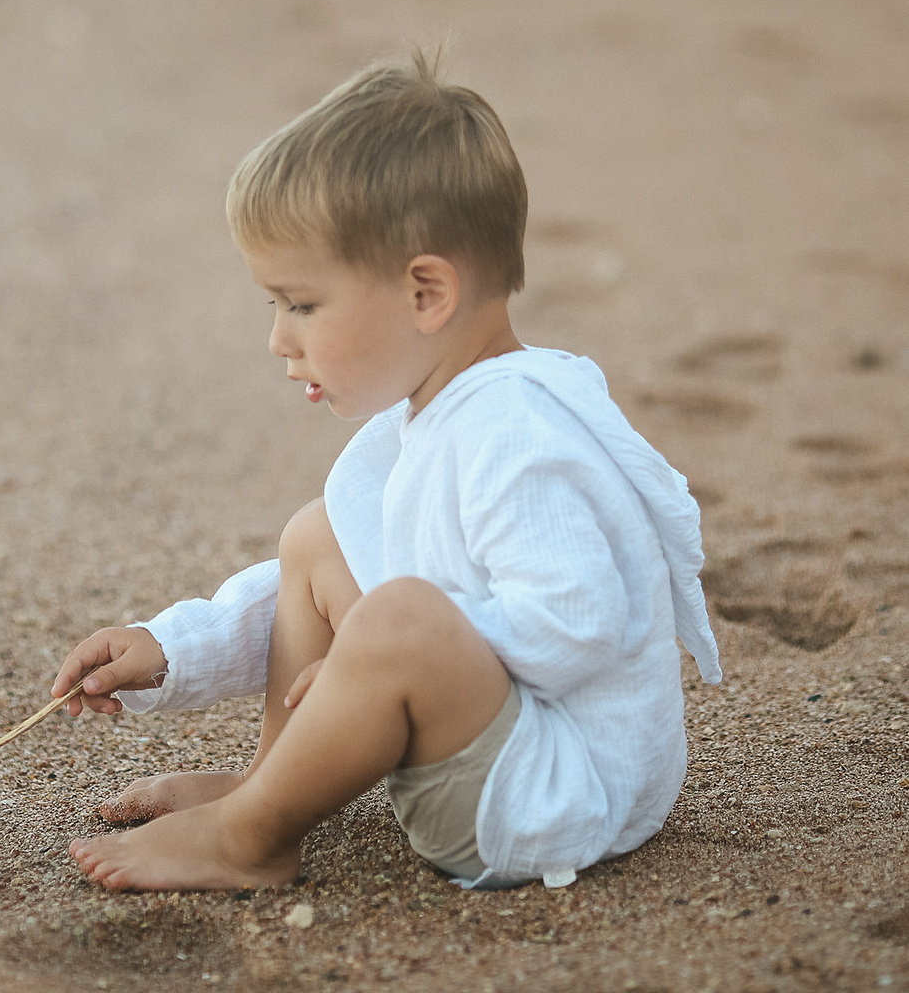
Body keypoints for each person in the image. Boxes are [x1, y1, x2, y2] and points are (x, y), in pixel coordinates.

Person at [51, 52, 722, 893]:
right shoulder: (433, 408)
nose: (278, 339)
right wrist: (170, 650)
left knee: (401, 614)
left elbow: (576, 620)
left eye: (301, 304)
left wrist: (374, 653)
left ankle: (250, 835)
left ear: (425, 294)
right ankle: (274, 785)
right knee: (317, 533)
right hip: (494, 738)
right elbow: (357, 565)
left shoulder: (517, 436)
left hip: (551, 796)